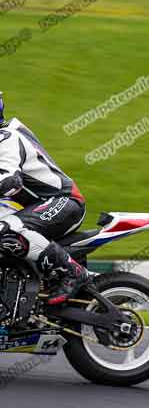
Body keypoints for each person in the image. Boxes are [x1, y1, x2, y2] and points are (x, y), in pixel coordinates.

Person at [0, 92, 89, 304]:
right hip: (41, 205)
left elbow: (8, 179)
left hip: (63, 201)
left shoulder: (7, 138)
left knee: (6, 230)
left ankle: (72, 272)